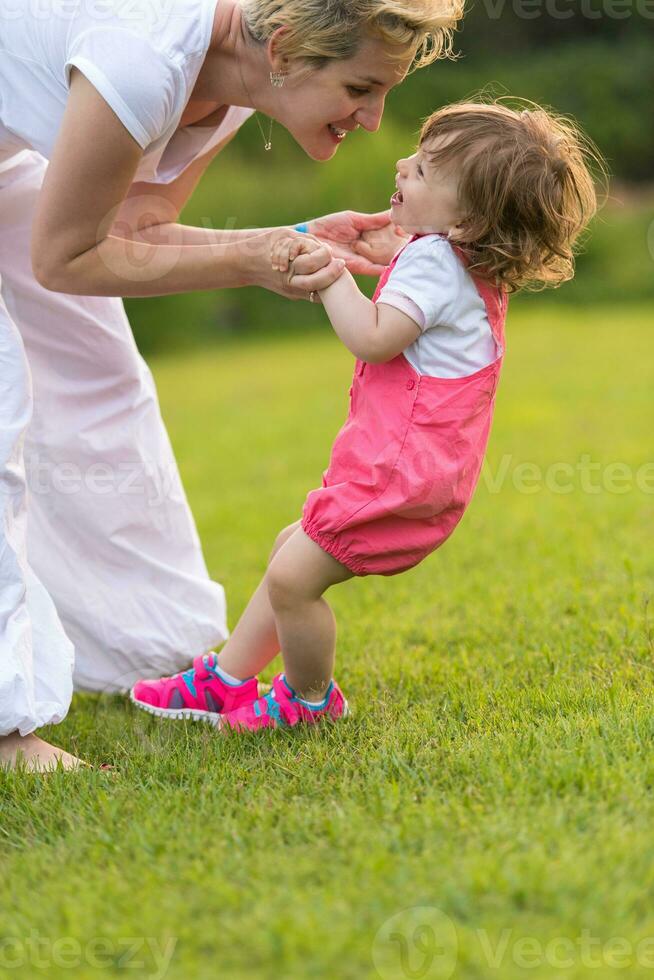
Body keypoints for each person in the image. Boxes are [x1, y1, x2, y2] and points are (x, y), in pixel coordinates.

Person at [0, 0, 463, 770]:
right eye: (360, 88)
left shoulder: (232, 88)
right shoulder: (144, 62)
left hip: (9, 167)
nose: (374, 119)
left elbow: (134, 236)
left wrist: (291, 242)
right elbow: (65, 260)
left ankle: (144, 646)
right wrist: (256, 258)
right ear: (284, 49)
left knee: (101, 378)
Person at [131, 99, 603, 731]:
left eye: (426, 171)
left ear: (468, 219)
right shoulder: (463, 260)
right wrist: (394, 244)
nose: (404, 165)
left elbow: (375, 337)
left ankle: (309, 700)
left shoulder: (438, 262)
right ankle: (225, 681)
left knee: (295, 579)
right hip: (415, 472)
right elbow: (418, 277)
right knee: (288, 553)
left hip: (397, 476)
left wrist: (331, 276)